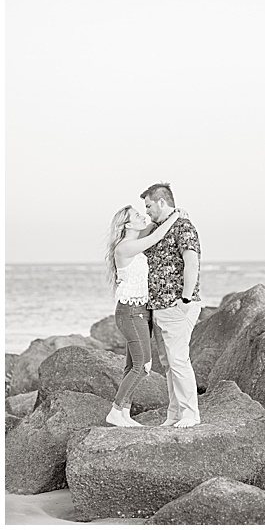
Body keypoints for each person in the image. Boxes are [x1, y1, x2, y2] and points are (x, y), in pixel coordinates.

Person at [104, 205, 186, 427]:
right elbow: (157, 234)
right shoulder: (125, 247)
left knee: (132, 366)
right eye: (137, 216)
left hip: (140, 311)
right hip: (131, 312)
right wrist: (177, 215)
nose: (144, 216)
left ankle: (124, 414)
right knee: (143, 365)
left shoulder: (132, 244)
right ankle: (116, 410)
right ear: (128, 225)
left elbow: (154, 226)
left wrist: (166, 215)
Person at [140, 182, 203, 428]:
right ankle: (174, 414)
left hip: (177, 304)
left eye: (148, 206)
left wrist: (185, 298)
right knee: (168, 364)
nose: (146, 211)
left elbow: (192, 263)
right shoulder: (158, 228)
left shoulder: (183, 227)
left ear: (162, 202)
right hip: (158, 306)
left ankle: (191, 414)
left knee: (178, 360)